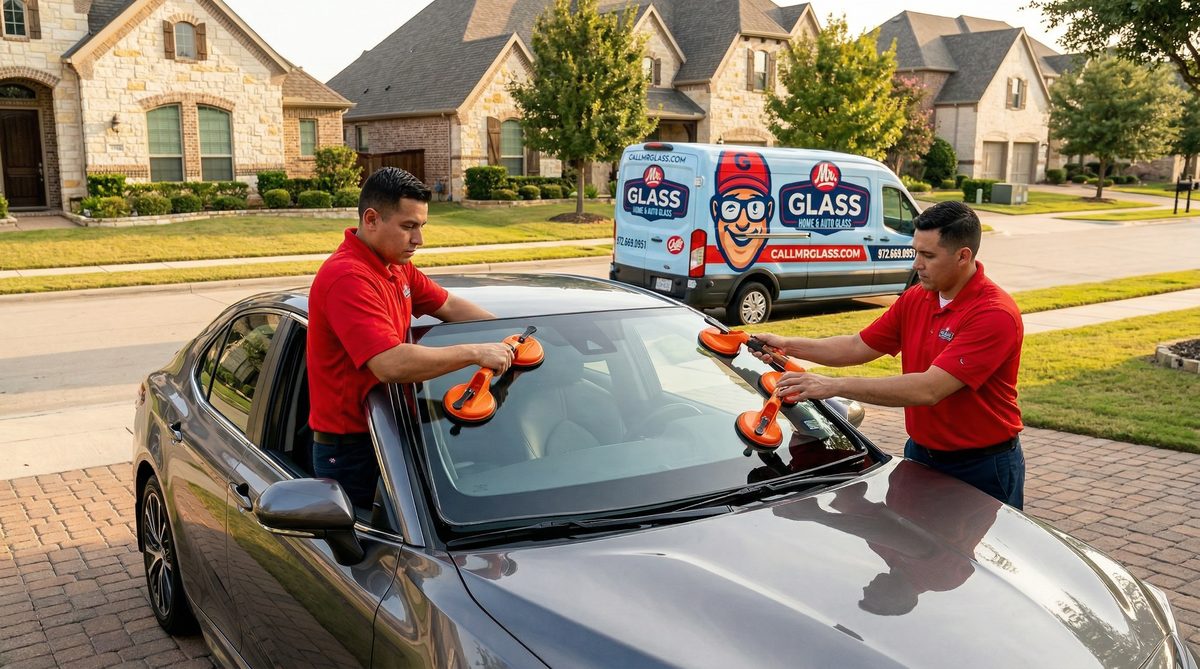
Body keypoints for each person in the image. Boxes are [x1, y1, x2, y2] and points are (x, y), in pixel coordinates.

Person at [754, 201, 1025, 508]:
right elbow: (858, 346)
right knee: (905, 552)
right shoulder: (917, 298)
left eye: (928, 256)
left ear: (963, 256)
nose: (916, 264)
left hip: (982, 466)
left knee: (971, 557)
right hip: (922, 453)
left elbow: (930, 389)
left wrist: (832, 385)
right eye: (915, 252)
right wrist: (788, 344)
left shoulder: (993, 314)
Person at [307, 167, 513, 507]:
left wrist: (512, 336)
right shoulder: (347, 278)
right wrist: (476, 352)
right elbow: (389, 363)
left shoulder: (395, 265)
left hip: (395, 427)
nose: (419, 239)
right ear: (371, 219)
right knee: (362, 557)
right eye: (408, 227)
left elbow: (448, 304)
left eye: (421, 227)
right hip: (353, 449)